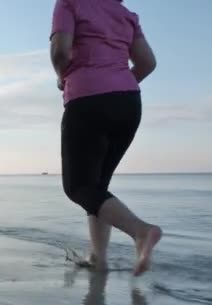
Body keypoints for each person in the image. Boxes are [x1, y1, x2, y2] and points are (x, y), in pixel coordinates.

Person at [50, 0, 162, 275]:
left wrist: (61, 78)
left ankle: (141, 232)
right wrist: (117, 83)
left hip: (87, 100)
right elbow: (147, 63)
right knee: (97, 186)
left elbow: (60, 53)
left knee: (78, 187)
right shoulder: (125, 14)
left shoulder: (70, 3)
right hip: (128, 103)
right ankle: (99, 259)